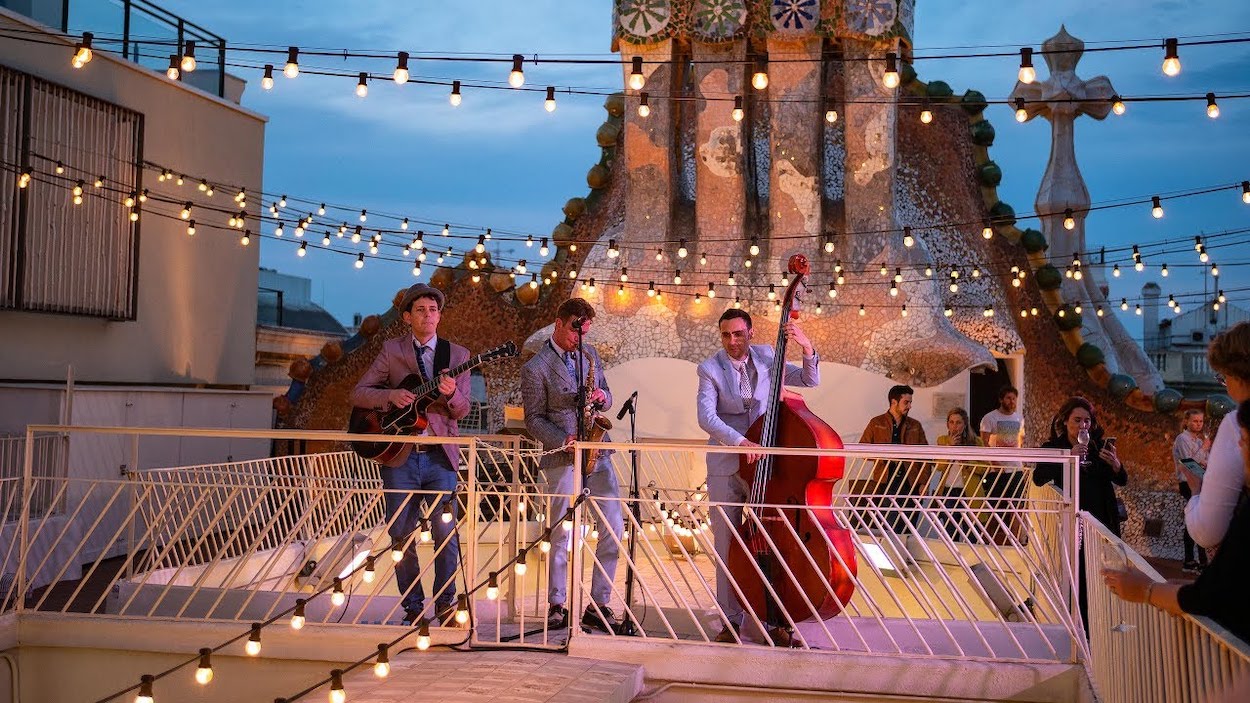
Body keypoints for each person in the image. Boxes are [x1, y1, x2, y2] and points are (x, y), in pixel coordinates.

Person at [696, 308, 819, 644]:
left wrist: (807, 347)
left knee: (773, 543)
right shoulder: (709, 368)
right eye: (725, 335)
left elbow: (809, 380)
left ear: (749, 332)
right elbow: (706, 417)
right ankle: (729, 622)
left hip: (766, 467)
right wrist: (740, 441)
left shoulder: (769, 357)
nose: (732, 341)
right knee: (726, 544)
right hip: (727, 464)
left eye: (738, 334)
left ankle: (775, 619)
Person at [350, 284, 470, 626]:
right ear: (407, 317)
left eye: (433, 310)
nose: (428, 315)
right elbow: (358, 394)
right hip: (399, 456)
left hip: (439, 457)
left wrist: (449, 395)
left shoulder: (458, 355)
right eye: (420, 310)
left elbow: (461, 411)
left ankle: (446, 604)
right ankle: (413, 608)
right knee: (401, 533)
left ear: (439, 316)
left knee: (446, 533)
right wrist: (390, 396)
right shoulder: (392, 351)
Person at [1103, 400, 1250, 645]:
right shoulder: (1183, 440)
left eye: (1244, 439)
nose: (1238, 446)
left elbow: (1213, 596)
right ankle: (1193, 560)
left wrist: (1146, 590)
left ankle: (1196, 560)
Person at [520, 297, 624, 633]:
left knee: (614, 528)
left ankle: (599, 603)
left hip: (598, 451)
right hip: (562, 456)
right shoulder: (535, 367)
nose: (579, 339)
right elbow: (533, 419)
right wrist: (562, 439)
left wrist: (601, 398)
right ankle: (557, 604)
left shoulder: (590, 355)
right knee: (562, 533)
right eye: (575, 331)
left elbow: (607, 393)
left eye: (585, 332)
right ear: (560, 323)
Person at [1034, 396, 1127, 633]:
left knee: (1108, 572)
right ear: (1065, 421)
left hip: (1103, 518)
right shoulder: (1053, 448)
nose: (1083, 426)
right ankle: (1082, 629)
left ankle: (1107, 625)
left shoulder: (1098, 447)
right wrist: (1068, 457)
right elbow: (1039, 477)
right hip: (1075, 521)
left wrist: (1116, 464)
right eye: (1077, 420)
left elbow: (1121, 480)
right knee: (1081, 573)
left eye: (1087, 421)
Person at [1181, 321, 1250, 550]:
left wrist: (1196, 492)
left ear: (1238, 376)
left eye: (1224, 377)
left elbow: (1208, 529)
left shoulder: (1237, 424)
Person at [860, 385, 930, 534]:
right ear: (894, 402)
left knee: (909, 527)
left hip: (910, 482)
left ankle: (904, 557)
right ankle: (892, 556)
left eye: (910, 402)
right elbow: (863, 449)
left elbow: (926, 456)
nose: (909, 406)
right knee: (888, 525)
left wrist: (923, 482)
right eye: (906, 402)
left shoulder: (914, 425)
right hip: (886, 481)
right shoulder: (876, 423)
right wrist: (884, 454)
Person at [935, 408, 985, 541]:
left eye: (958, 423)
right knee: (950, 534)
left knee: (972, 534)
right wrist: (949, 448)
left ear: (964, 424)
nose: (954, 426)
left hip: (971, 492)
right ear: (947, 424)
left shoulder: (976, 442)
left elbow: (985, 468)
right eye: (951, 422)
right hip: (949, 492)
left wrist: (967, 462)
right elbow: (939, 466)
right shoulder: (942, 440)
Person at [1172, 409, 1210, 571]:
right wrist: (1204, 449)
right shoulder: (1182, 439)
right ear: (1187, 421)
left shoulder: (1199, 440)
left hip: (1201, 482)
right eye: (1195, 421)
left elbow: (1204, 462)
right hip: (1188, 483)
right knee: (1199, 519)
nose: (1198, 424)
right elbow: (1189, 462)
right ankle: (1201, 561)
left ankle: (1192, 560)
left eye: (1200, 421)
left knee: (1196, 520)